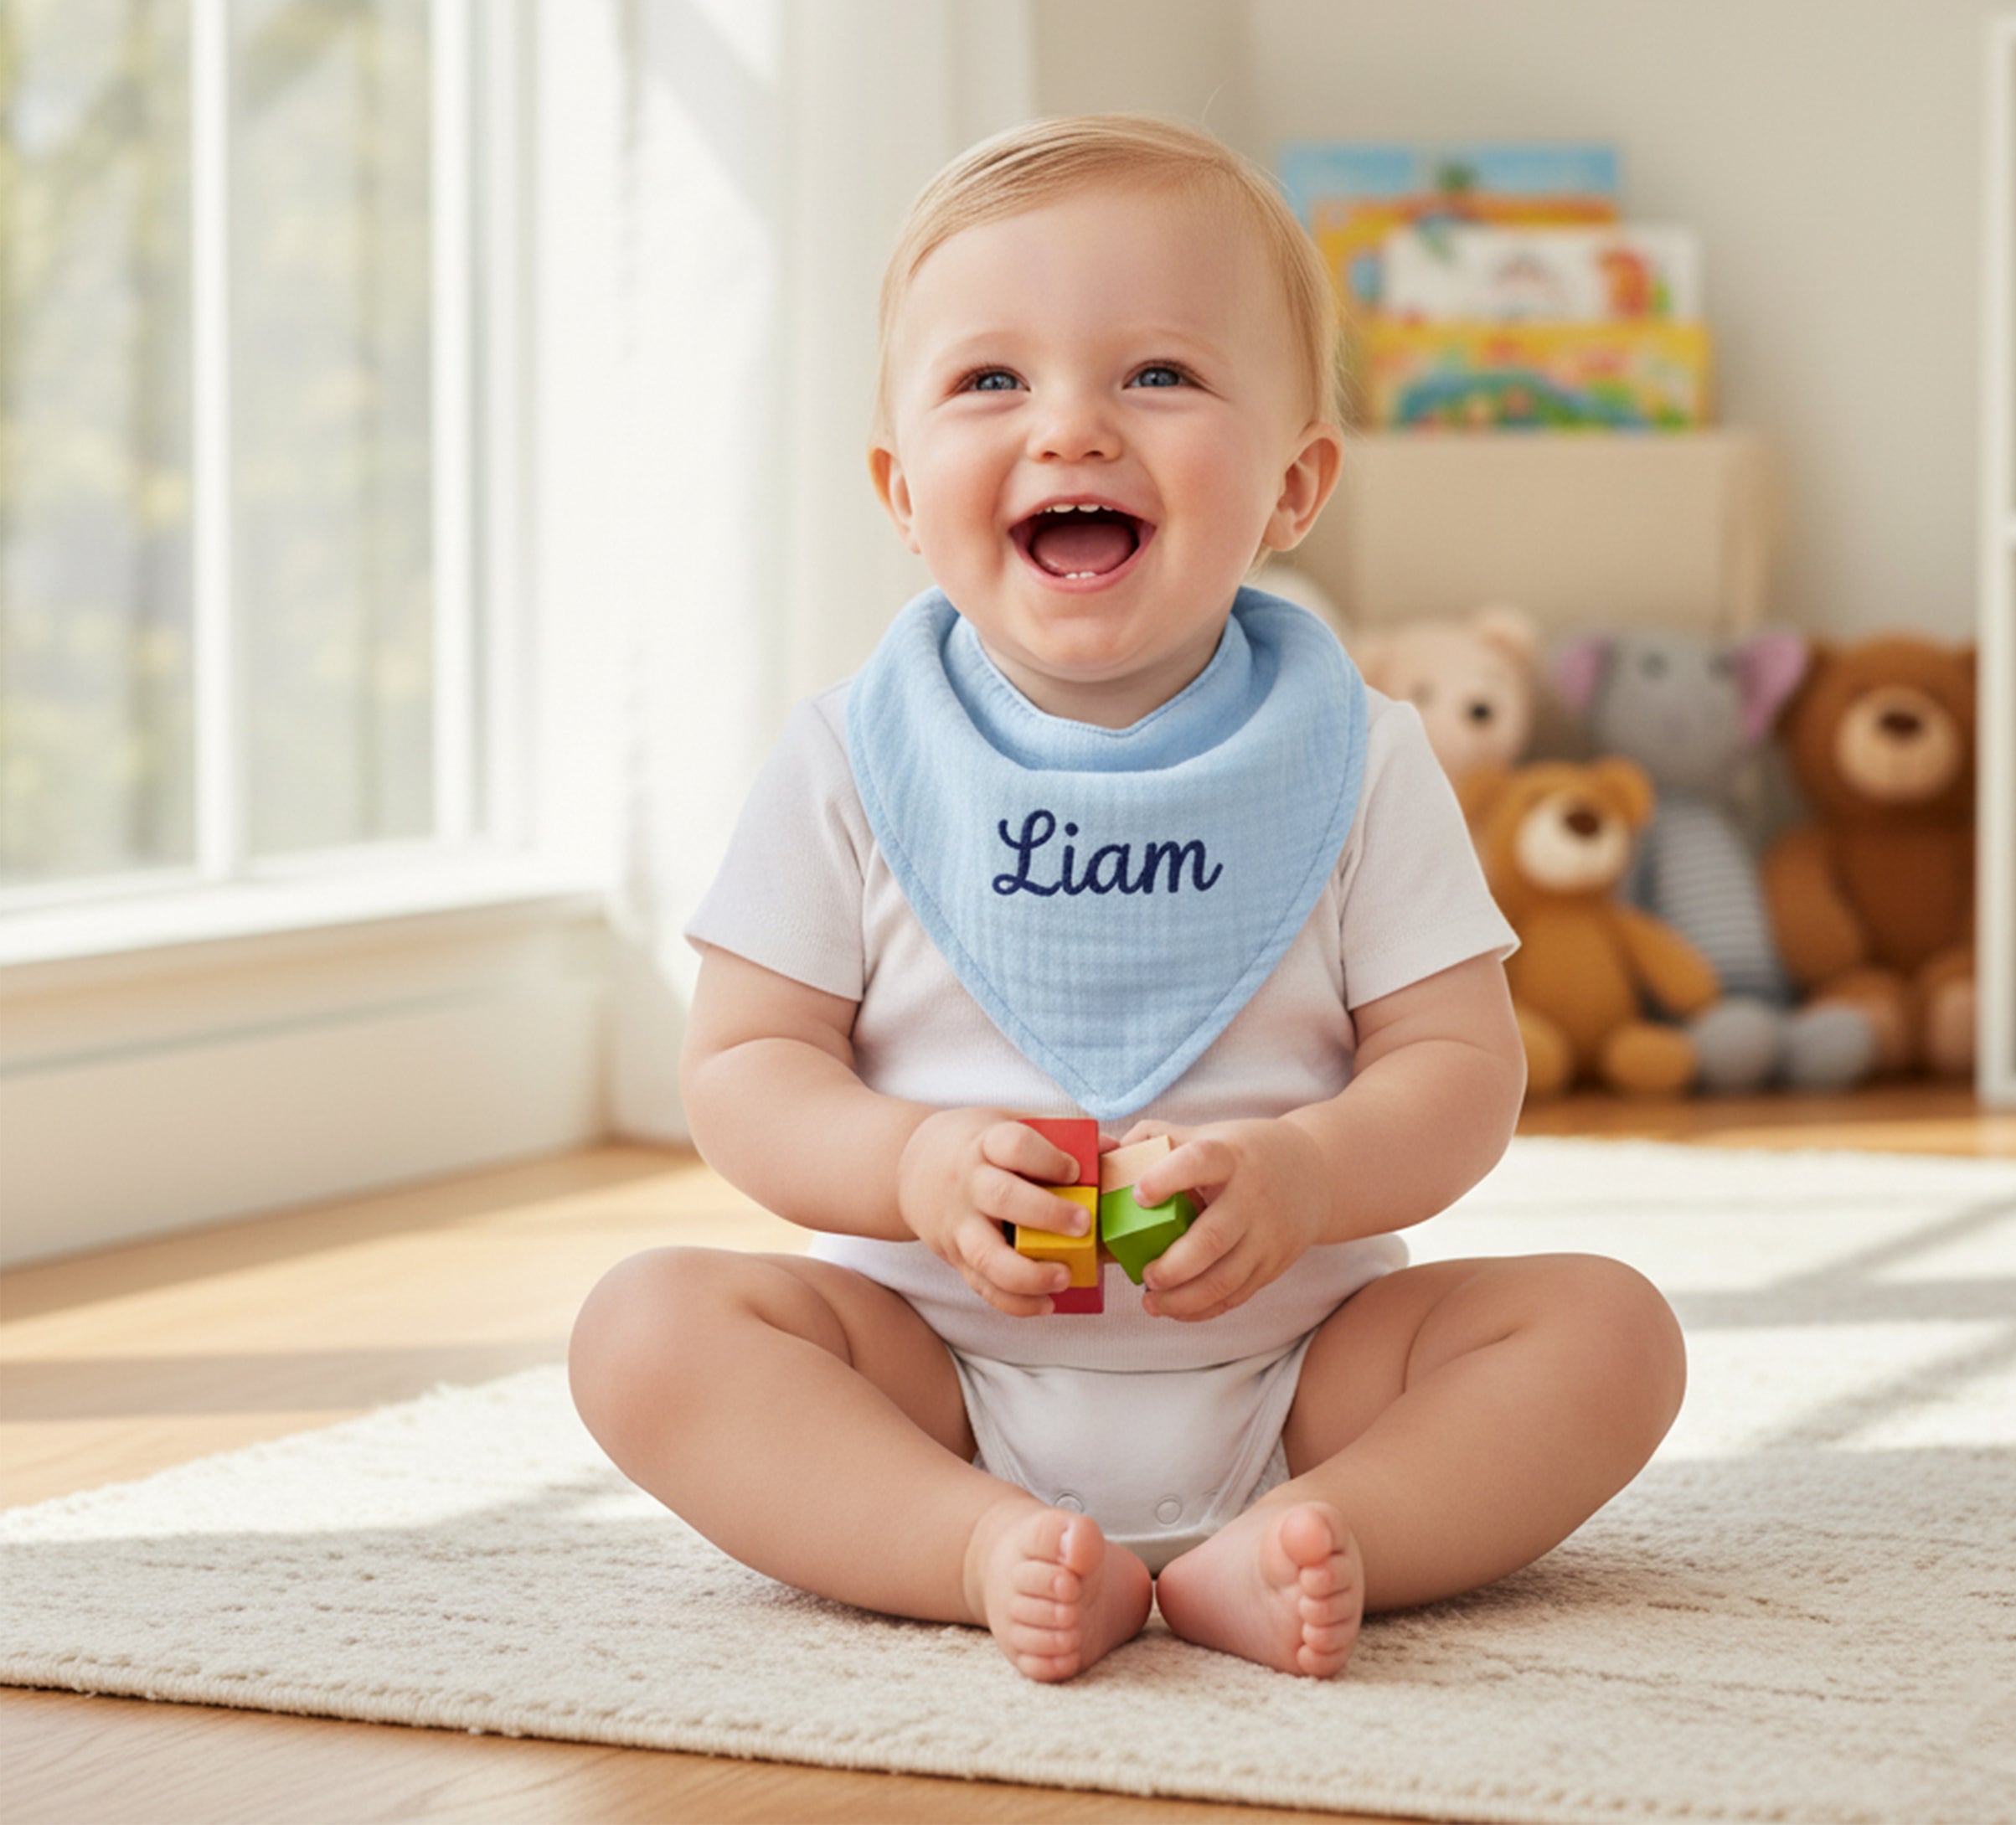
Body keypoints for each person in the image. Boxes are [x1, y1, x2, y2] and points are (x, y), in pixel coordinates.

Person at [568, 115, 1687, 1683]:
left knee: (1612, 1333)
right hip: (931, 1373)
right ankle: (971, 1544)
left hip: (1304, 1368)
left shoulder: (1357, 756)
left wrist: (1307, 1172)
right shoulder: (854, 757)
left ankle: (1324, 1531)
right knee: (643, 1331)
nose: (1073, 430)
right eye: (990, 380)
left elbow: (1460, 1071)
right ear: (900, 490)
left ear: (1295, 484)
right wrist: (913, 1167)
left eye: (1158, 374)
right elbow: (746, 1067)